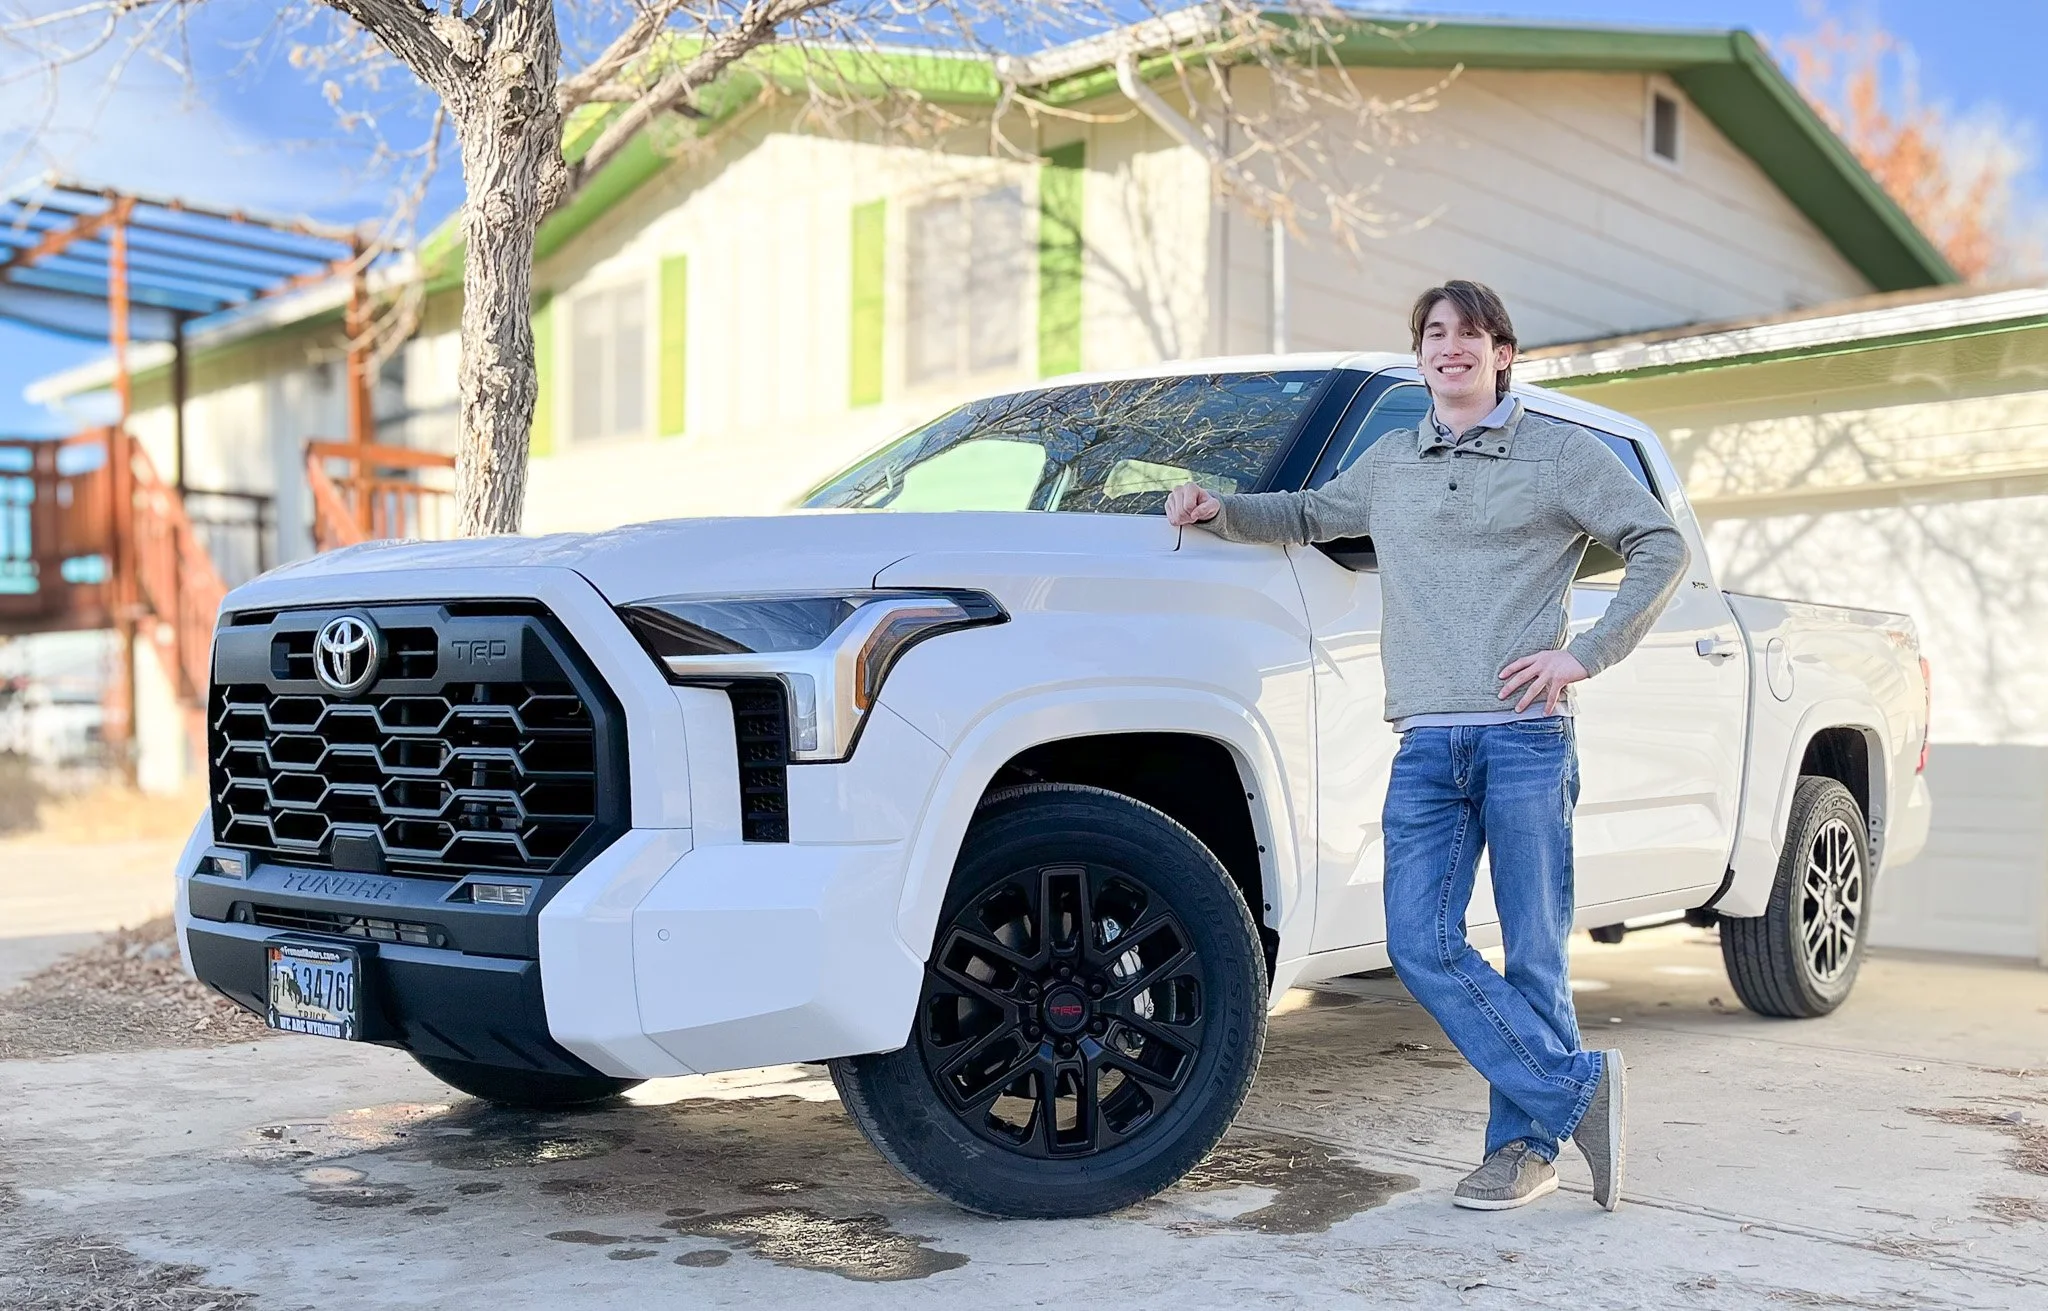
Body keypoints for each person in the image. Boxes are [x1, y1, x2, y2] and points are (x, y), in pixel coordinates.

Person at [1166, 280, 1689, 1211]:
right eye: (1434, 334)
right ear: (1421, 356)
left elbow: (1660, 543)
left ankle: (1525, 1145)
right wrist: (1217, 507)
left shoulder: (1558, 453)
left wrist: (1583, 655)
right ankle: (1577, 1089)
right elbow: (1307, 513)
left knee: (1534, 951)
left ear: (1503, 353)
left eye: (1470, 333)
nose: (1450, 347)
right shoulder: (1393, 459)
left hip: (1526, 736)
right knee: (1419, 940)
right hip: (1425, 741)